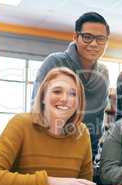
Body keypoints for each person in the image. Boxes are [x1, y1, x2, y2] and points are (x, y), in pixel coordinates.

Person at [0, 68, 95, 185]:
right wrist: (51, 182)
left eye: (73, 94)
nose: (65, 98)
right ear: (43, 97)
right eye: (57, 91)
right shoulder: (20, 124)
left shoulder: (82, 133)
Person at [32, 12, 110, 158]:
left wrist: (91, 156)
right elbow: (37, 109)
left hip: (83, 153)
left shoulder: (103, 73)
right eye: (87, 37)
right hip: (48, 148)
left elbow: (97, 122)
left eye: (100, 39)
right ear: (75, 37)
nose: (94, 44)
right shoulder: (54, 62)